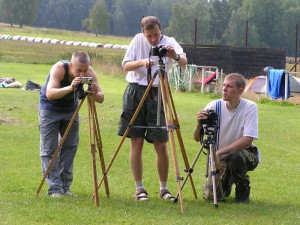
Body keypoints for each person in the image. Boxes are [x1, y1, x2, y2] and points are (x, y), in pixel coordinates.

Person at [118, 16, 187, 201]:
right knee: (137, 141)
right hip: (135, 91)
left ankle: (164, 189)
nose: (153, 40)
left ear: (160, 30)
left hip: (159, 92)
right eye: (149, 36)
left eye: (156, 35)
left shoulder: (169, 42)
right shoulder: (137, 39)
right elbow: (125, 65)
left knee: (161, 143)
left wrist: (174, 55)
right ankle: (139, 188)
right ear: (143, 33)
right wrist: (143, 62)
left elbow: (183, 61)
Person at [39, 51, 104, 198]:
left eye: (85, 70)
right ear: (70, 65)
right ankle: (55, 189)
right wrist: (70, 88)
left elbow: (101, 98)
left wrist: (94, 92)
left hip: (70, 110)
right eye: (78, 70)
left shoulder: (90, 72)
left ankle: (64, 187)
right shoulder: (59, 68)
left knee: (70, 147)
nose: (82, 74)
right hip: (49, 109)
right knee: (49, 149)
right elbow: (50, 93)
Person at [193, 73, 260, 203]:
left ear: (240, 91)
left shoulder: (250, 107)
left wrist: (220, 152)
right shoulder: (214, 106)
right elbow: (197, 138)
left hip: (245, 154)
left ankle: (242, 191)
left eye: (229, 86)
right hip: (220, 157)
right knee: (210, 196)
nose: (224, 89)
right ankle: (226, 181)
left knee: (234, 156)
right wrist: (198, 124)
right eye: (223, 85)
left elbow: (248, 140)